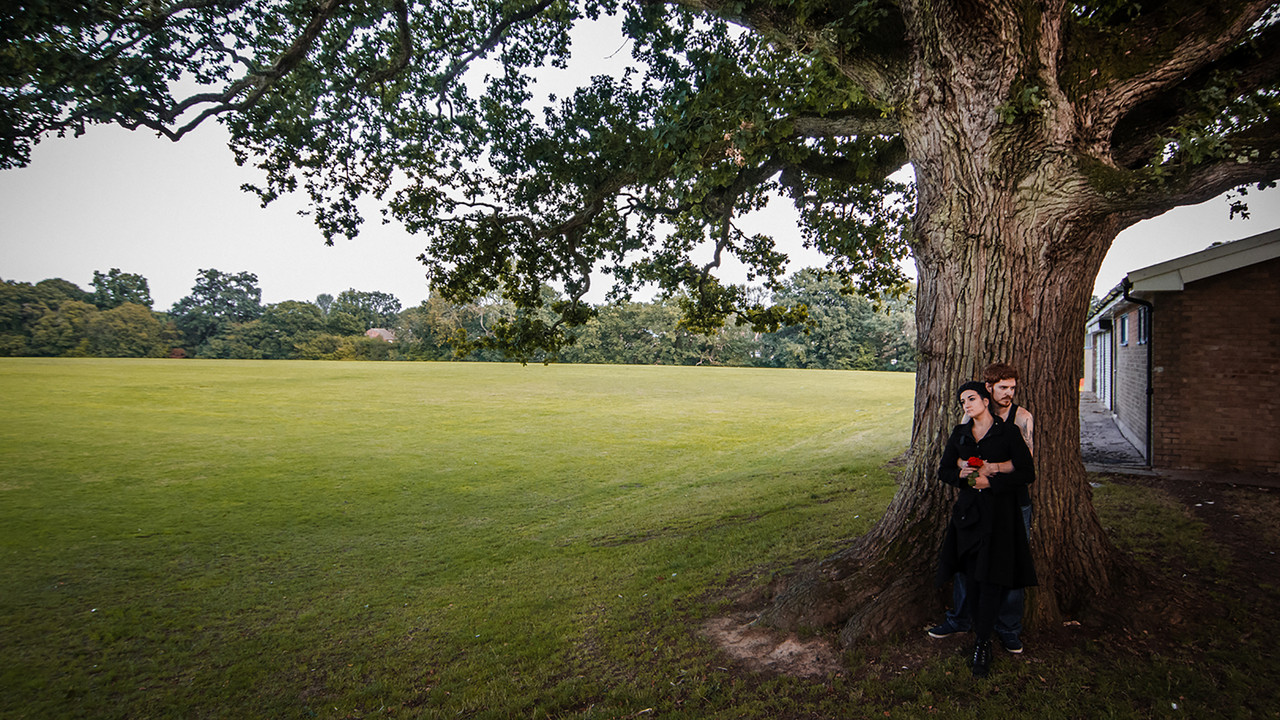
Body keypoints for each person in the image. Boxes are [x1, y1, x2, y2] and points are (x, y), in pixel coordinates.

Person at [928, 363, 1035, 653]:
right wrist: (965, 469)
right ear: (988, 390)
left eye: (1012, 388)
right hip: (975, 505)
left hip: (1011, 502)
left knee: (1010, 565)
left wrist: (991, 471)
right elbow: (954, 459)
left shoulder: (1020, 419)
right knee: (967, 562)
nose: (1009, 393)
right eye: (1003, 388)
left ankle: (1008, 628)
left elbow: (1025, 466)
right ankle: (962, 618)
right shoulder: (968, 417)